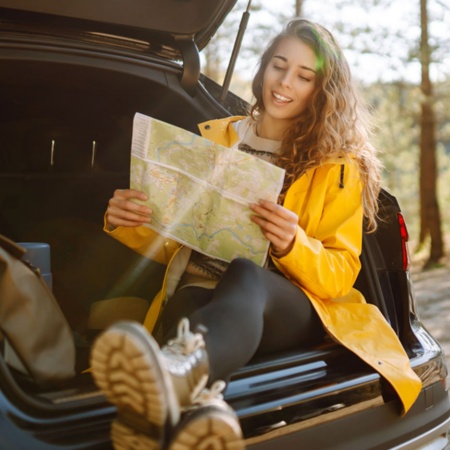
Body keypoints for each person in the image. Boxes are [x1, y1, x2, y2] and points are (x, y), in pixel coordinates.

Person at [90, 18, 422, 450]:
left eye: (304, 76)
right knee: (190, 297)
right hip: (206, 298)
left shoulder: (337, 165)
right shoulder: (218, 138)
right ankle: (189, 419)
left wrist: (291, 243)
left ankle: (175, 395)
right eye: (278, 67)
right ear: (263, 67)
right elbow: (178, 241)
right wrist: (131, 221)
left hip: (290, 306)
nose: (284, 83)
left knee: (245, 274)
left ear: (322, 90)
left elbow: (341, 272)